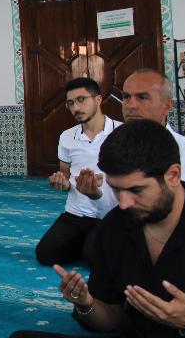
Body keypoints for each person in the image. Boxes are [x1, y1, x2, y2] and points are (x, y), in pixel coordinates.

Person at [6, 120, 185, 338]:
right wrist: (87, 304)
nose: (123, 203)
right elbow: (111, 320)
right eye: (116, 189)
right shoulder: (116, 228)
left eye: (136, 190)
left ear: (173, 176)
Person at [74, 69, 185, 211]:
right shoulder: (113, 147)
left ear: (166, 106)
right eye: (126, 97)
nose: (130, 106)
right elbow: (116, 211)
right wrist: (96, 196)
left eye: (142, 98)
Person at [36, 77, 122, 267]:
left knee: (94, 259)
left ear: (98, 100)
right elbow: (66, 175)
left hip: (108, 213)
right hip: (75, 213)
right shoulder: (67, 137)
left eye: (81, 100)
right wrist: (62, 183)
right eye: (71, 103)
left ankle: (92, 246)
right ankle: (89, 244)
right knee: (45, 254)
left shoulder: (121, 133)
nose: (76, 107)